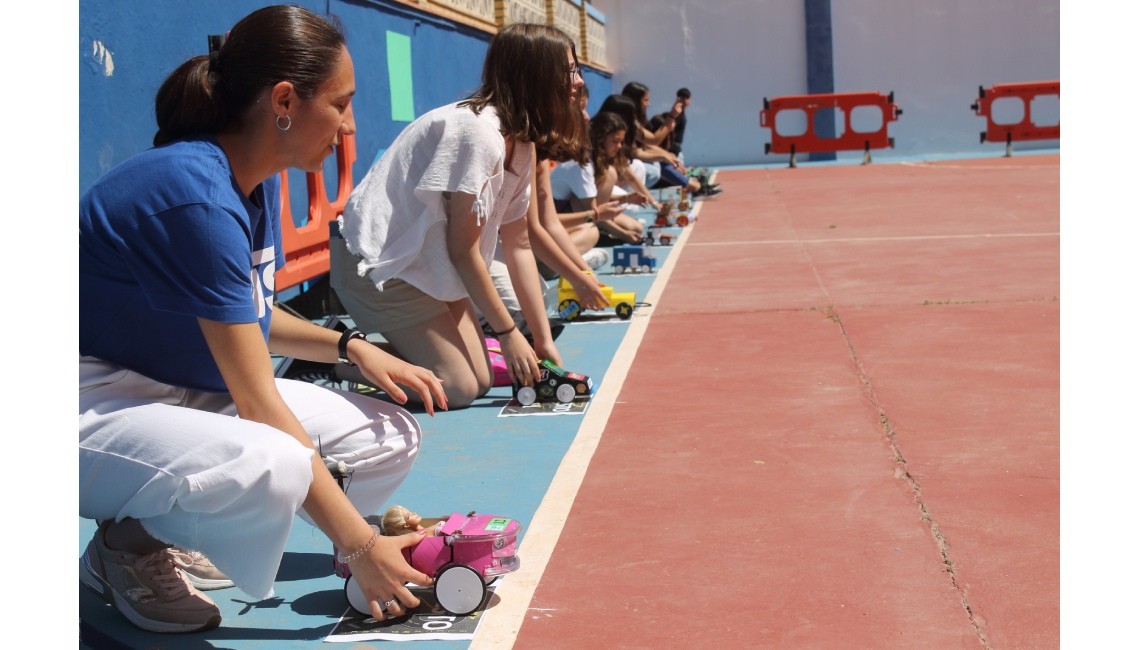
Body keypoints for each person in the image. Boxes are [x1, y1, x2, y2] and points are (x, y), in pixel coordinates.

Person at [79, 5, 448, 634]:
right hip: (89, 399)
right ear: (284, 100)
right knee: (271, 462)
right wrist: (359, 545)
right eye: (341, 103)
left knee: (388, 436)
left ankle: (182, 515)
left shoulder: (250, 181)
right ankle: (126, 547)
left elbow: (246, 310)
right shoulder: (192, 191)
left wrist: (352, 347)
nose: (349, 123)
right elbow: (256, 399)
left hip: (173, 386)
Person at [330, 24, 583, 409]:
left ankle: (357, 350)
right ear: (537, 74)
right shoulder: (478, 135)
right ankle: (330, 356)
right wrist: (509, 332)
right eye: (569, 71)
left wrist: (542, 340)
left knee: (481, 378)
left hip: (430, 270)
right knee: (457, 388)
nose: (577, 82)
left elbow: (518, 244)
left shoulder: (522, 145)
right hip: (380, 267)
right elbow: (463, 251)